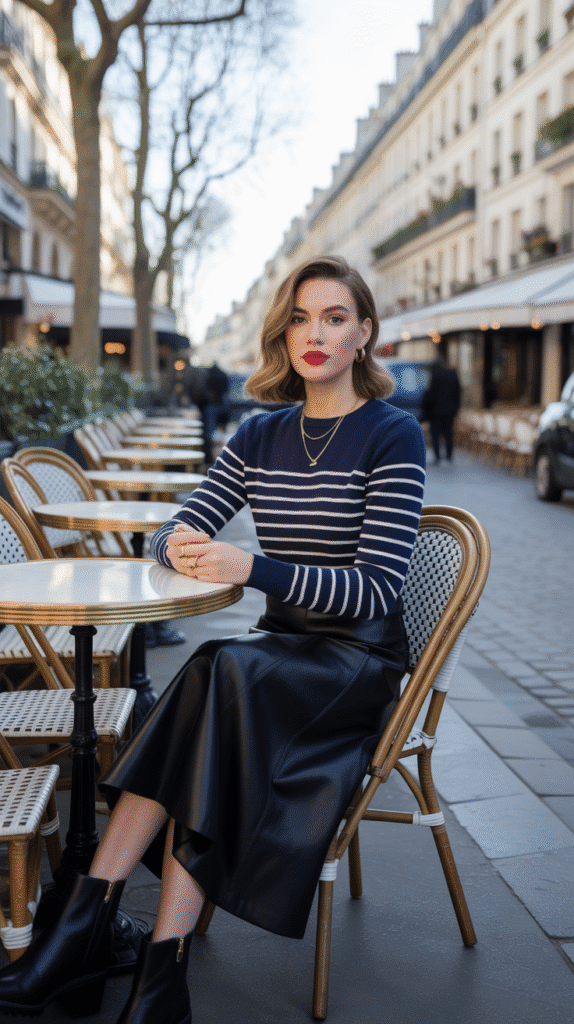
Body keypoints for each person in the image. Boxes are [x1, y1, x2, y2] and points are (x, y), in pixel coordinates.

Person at [0, 256, 426, 1023]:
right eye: (301, 318)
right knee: (217, 676)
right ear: (284, 334)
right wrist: (180, 546)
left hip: (354, 662)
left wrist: (250, 564)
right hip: (278, 656)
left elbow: (375, 590)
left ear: (365, 334)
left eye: (335, 318)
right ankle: (154, 971)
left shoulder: (393, 436)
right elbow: (172, 528)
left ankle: (84, 934)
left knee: (218, 671)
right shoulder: (261, 433)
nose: (315, 333)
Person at [422, 354, 461, 463]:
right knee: (449, 433)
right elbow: (458, 392)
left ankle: (437, 456)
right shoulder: (453, 374)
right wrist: (456, 408)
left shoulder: (435, 374)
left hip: (436, 411)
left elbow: (431, 394)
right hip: (449, 411)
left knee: (435, 434)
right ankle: (449, 455)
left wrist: (426, 409)